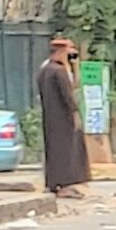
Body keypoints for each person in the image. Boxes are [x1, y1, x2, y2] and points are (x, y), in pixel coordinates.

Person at [38, 37, 92, 199]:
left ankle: (54, 183)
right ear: (62, 52)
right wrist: (75, 113)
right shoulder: (59, 71)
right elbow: (68, 94)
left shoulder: (45, 69)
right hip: (63, 117)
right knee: (66, 151)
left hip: (50, 117)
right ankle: (64, 183)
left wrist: (73, 67)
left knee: (55, 150)